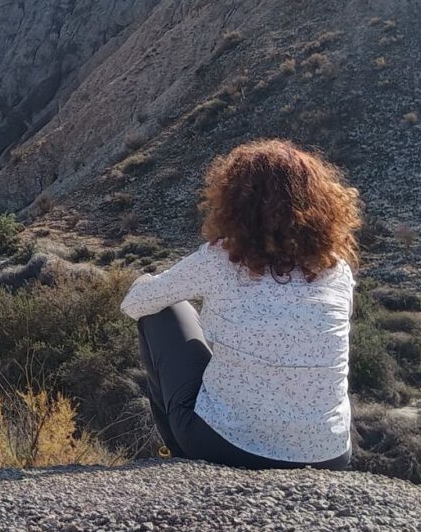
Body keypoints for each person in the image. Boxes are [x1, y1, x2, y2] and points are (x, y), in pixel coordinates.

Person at [120, 139, 360, 470]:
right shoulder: (336, 268)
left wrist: (146, 280)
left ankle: (180, 457)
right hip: (329, 454)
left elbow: (135, 305)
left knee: (164, 311)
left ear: (235, 204)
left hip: (226, 446)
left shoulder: (222, 259)